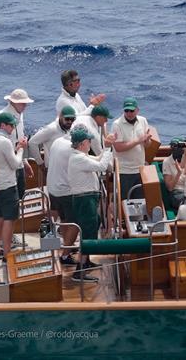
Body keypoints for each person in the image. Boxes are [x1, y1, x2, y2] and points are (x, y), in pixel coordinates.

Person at [67, 127, 114, 282]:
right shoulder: (79, 159)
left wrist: (107, 149)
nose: (90, 143)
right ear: (82, 144)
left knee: (95, 224)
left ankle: (85, 261)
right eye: (89, 141)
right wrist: (107, 147)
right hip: (85, 199)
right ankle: (79, 271)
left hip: (87, 199)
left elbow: (98, 159)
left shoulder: (79, 156)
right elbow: (101, 166)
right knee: (88, 232)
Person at [0, 112, 27, 262]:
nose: (13, 128)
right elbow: (16, 164)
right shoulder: (5, 141)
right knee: (9, 220)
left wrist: (16, 149)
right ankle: (7, 254)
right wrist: (21, 148)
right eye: (11, 125)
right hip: (8, 186)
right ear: (3, 125)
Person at [0, 89, 35, 198]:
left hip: (18, 162)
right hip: (7, 169)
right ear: (13, 102)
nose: (25, 106)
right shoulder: (1, 116)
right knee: (12, 200)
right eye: (22, 103)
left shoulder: (20, 114)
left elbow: (20, 139)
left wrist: (24, 162)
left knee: (20, 196)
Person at [45, 134, 78, 266]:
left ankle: (66, 247)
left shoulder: (57, 141)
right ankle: (64, 255)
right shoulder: (73, 150)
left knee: (63, 220)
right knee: (76, 223)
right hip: (66, 192)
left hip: (53, 188)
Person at [111, 97, 153, 200]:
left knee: (140, 201)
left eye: (132, 110)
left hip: (140, 169)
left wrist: (147, 141)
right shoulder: (117, 124)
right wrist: (138, 140)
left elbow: (147, 145)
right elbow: (118, 147)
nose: (129, 113)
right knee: (124, 201)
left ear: (137, 110)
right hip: (124, 171)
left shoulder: (143, 121)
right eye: (126, 110)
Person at [28, 105, 76, 171]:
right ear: (60, 116)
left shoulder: (72, 127)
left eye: (72, 119)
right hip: (53, 169)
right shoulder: (51, 129)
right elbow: (32, 142)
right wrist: (40, 163)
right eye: (67, 119)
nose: (70, 122)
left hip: (67, 168)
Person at [161, 137, 186, 211]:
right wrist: (178, 173)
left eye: (178, 146)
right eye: (172, 146)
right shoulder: (167, 162)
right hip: (177, 192)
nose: (175, 149)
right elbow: (170, 187)